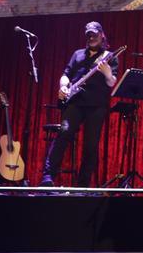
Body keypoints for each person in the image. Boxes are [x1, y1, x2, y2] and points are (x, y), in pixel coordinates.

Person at [40, 21, 118, 187]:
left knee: (90, 145)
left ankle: (82, 185)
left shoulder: (110, 56)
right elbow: (66, 74)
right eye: (88, 35)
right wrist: (63, 86)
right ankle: (47, 177)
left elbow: (112, 83)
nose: (91, 37)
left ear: (102, 35)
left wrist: (107, 73)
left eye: (94, 34)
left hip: (96, 106)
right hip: (74, 102)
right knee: (63, 134)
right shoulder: (77, 54)